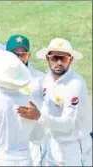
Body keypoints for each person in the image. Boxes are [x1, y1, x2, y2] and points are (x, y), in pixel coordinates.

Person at [17, 38, 89, 166]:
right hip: (52, 143)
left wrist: (39, 116)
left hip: (73, 147)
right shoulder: (47, 79)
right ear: (48, 58)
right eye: (55, 58)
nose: (59, 63)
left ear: (71, 60)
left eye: (64, 58)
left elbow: (68, 124)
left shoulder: (75, 85)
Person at [5, 34, 46, 166]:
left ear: (29, 55)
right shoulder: (0, 78)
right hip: (9, 136)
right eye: (14, 55)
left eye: (23, 55)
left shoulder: (40, 79)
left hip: (33, 138)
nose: (19, 59)